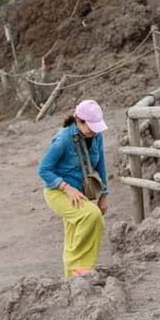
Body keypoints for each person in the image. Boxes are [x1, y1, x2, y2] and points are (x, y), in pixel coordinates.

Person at [38, 99, 109, 277]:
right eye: (91, 126)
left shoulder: (97, 135)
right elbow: (44, 170)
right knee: (91, 215)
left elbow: (101, 165)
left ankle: (72, 279)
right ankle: (80, 265)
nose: (94, 130)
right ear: (79, 121)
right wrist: (66, 188)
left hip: (80, 193)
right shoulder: (63, 140)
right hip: (58, 192)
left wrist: (104, 194)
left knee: (76, 231)